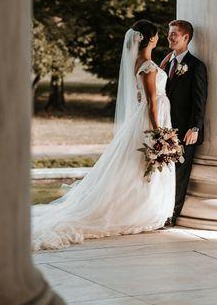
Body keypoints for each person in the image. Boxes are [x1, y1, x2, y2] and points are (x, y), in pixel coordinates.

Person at [31, 20, 175, 251]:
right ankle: (138, 210)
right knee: (140, 165)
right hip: (151, 120)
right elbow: (151, 101)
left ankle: (143, 206)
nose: (159, 38)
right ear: (150, 39)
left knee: (136, 166)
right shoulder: (147, 66)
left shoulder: (142, 62)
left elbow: (144, 95)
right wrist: (158, 130)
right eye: (157, 35)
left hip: (148, 117)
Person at [160, 20, 208, 226]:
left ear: (186, 37)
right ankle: (159, 210)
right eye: (169, 34)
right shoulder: (165, 63)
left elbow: (200, 100)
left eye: (174, 35)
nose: (170, 38)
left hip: (186, 131)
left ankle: (171, 215)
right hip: (164, 128)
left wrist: (195, 127)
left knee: (179, 175)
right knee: (162, 173)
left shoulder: (196, 66)